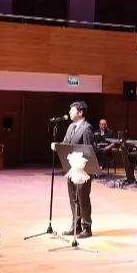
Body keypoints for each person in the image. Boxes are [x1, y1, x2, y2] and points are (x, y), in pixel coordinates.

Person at [50, 101, 94, 238]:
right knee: (73, 197)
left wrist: (86, 168)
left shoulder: (87, 128)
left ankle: (87, 227)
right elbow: (66, 144)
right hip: (71, 168)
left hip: (83, 170)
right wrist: (57, 146)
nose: (69, 112)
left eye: (72, 110)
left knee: (82, 198)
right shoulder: (70, 127)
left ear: (80, 112)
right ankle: (76, 225)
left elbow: (89, 149)